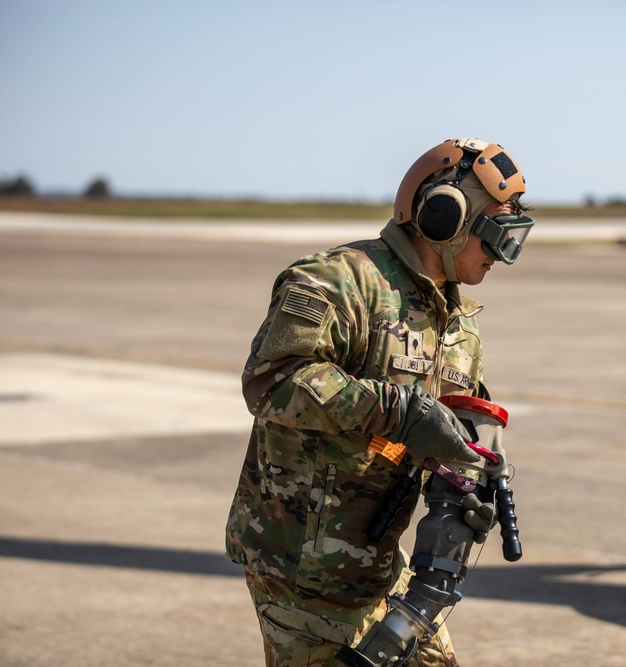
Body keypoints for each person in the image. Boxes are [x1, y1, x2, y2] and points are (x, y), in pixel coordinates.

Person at [224, 137, 534, 666]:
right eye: (498, 238)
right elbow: (273, 381)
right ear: (446, 219)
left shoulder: (456, 323)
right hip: (304, 570)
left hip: (382, 567)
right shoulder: (335, 282)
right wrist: (402, 412)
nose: (504, 258)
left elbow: (457, 425)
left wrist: (466, 483)